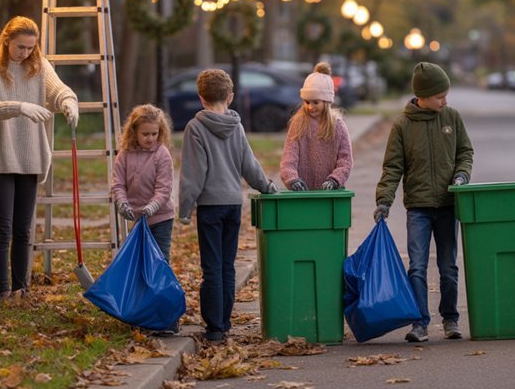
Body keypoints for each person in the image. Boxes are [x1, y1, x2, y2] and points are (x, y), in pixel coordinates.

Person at [0, 16, 79, 300]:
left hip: (29, 154)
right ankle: (3, 291)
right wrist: (19, 107)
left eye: (31, 48)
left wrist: (69, 102)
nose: (25, 53)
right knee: (3, 226)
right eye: (20, 47)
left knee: (23, 228)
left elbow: (59, 90)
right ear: (6, 40)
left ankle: (21, 289)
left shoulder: (39, 65)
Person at [373, 62, 473, 343]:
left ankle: (450, 318)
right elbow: (392, 167)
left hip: (447, 205)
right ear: (423, 96)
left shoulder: (452, 118)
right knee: (416, 266)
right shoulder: (403, 126)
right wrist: (384, 200)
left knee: (448, 267)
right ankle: (420, 322)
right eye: (440, 96)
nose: (445, 100)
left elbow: (465, 152)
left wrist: (462, 175)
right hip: (418, 208)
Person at [178, 69, 277, 343]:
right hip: (233, 204)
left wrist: (185, 209)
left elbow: (193, 174)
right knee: (227, 265)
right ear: (230, 97)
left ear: (201, 98)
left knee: (212, 266)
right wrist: (267, 186)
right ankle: (225, 320)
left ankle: (215, 327)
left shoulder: (195, 128)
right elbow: (249, 165)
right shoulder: (237, 126)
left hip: (210, 206)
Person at [112, 104, 176, 262]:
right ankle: (142, 287)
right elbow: (118, 184)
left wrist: (152, 207)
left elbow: (164, 188)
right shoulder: (125, 154)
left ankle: (160, 287)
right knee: (139, 260)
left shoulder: (162, 154)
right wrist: (122, 202)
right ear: (134, 132)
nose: (150, 138)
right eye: (145, 134)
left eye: (155, 133)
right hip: (138, 218)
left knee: (159, 259)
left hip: (161, 218)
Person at [280, 62, 353, 192]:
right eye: (307, 102)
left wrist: (334, 179)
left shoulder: (338, 125)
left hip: (330, 193)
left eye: (315, 102)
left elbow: (345, 160)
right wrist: (291, 178)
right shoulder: (298, 123)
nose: (310, 107)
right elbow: (289, 156)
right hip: (302, 193)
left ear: (326, 102)